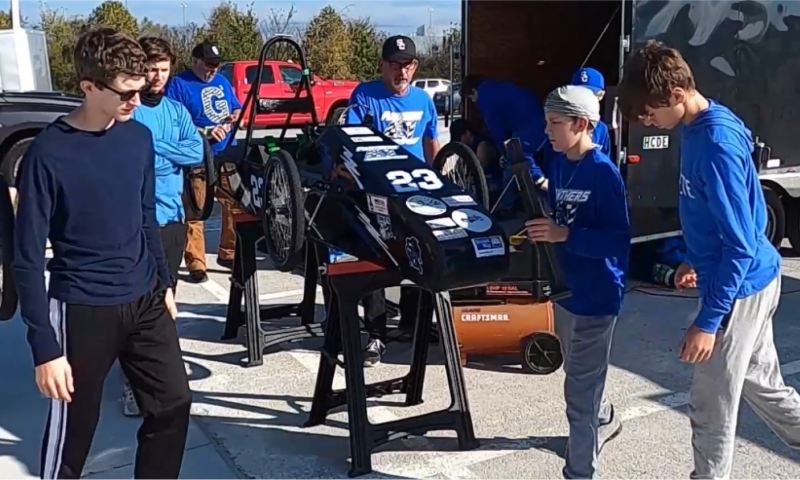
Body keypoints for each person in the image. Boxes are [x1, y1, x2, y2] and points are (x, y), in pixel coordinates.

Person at [14, 28, 191, 479]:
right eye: (127, 92)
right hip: (83, 307)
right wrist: (44, 348)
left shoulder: (137, 140)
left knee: (173, 404)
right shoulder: (47, 155)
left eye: (142, 87)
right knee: (76, 432)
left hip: (146, 299)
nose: (137, 99)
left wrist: (163, 283)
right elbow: (28, 257)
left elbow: (145, 215)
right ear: (89, 87)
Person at [618, 40, 800, 479]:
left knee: (711, 402)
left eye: (650, 113)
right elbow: (741, 216)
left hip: (740, 287)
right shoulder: (703, 127)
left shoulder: (716, 141)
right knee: (762, 384)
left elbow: (740, 242)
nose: (649, 123)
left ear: (677, 95)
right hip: (743, 276)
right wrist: (694, 260)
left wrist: (709, 322)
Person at [525, 85, 629, 479]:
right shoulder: (559, 161)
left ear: (582, 124)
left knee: (578, 396)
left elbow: (618, 241)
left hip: (596, 297)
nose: (548, 131)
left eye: (556, 123)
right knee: (580, 375)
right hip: (566, 291)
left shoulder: (603, 173)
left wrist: (564, 235)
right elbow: (560, 215)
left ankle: (580, 471)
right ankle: (604, 418)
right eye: (547, 121)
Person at [117, 36, 203, 417]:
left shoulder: (177, 111)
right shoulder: (128, 110)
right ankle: (130, 383)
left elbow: (196, 152)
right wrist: (163, 147)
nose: (157, 76)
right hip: (134, 217)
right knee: (136, 301)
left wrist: (155, 145)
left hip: (171, 216)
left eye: (164, 69)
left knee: (166, 297)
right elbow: (124, 151)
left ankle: (161, 372)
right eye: (151, 68)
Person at [345, 35, 440, 366]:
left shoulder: (423, 100)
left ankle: (414, 323)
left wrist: (437, 179)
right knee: (377, 260)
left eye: (409, 65)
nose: (403, 71)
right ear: (383, 65)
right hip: (377, 191)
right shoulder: (365, 96)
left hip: (415, 190)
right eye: (396, 65)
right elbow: (352, 142)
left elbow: (431, 142)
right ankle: (375, 334)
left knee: (418, 252)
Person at [166, 40, 242, 283]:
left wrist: (233, 117)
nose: (214, 70)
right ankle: (196, 262)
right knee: (197, 209)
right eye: (209, 64)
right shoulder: (179, 85)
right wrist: (205, 132)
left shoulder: (222, 81)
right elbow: (175, 123)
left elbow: (236, 107)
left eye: (217, 65)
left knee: (234, 205)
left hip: (227, 152)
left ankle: (228, 253)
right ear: (195, 61)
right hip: (198, 156)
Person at [460, 74, 547, 213]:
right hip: (540, 120)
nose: (473, 101)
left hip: (526, 127)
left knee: (511, 161)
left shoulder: (485, 97)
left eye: (471, 98)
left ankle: (507, 206)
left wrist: (503, 150)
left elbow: (496, 129)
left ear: (474, 91)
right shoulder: (496, 86)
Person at [569, 67, 612, 158]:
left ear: (600, 96)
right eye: (579, 93)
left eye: (589, 94)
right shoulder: (558, 123)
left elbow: (604, 161)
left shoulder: (601, 129)